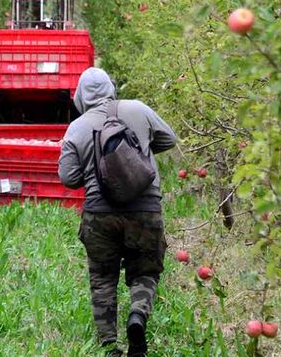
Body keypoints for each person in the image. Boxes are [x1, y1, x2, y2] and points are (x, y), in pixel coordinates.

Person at [58, 67, 177, 356]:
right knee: (145, 272)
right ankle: (137, 315)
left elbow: (68, 178)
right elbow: (169, 139)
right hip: (145, 208)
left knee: (102, 278)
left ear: (80, 96)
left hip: (100, 215)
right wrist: (138, 155)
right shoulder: (138, 109)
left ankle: (109, 345)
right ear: (111, 87)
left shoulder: (76, 128)